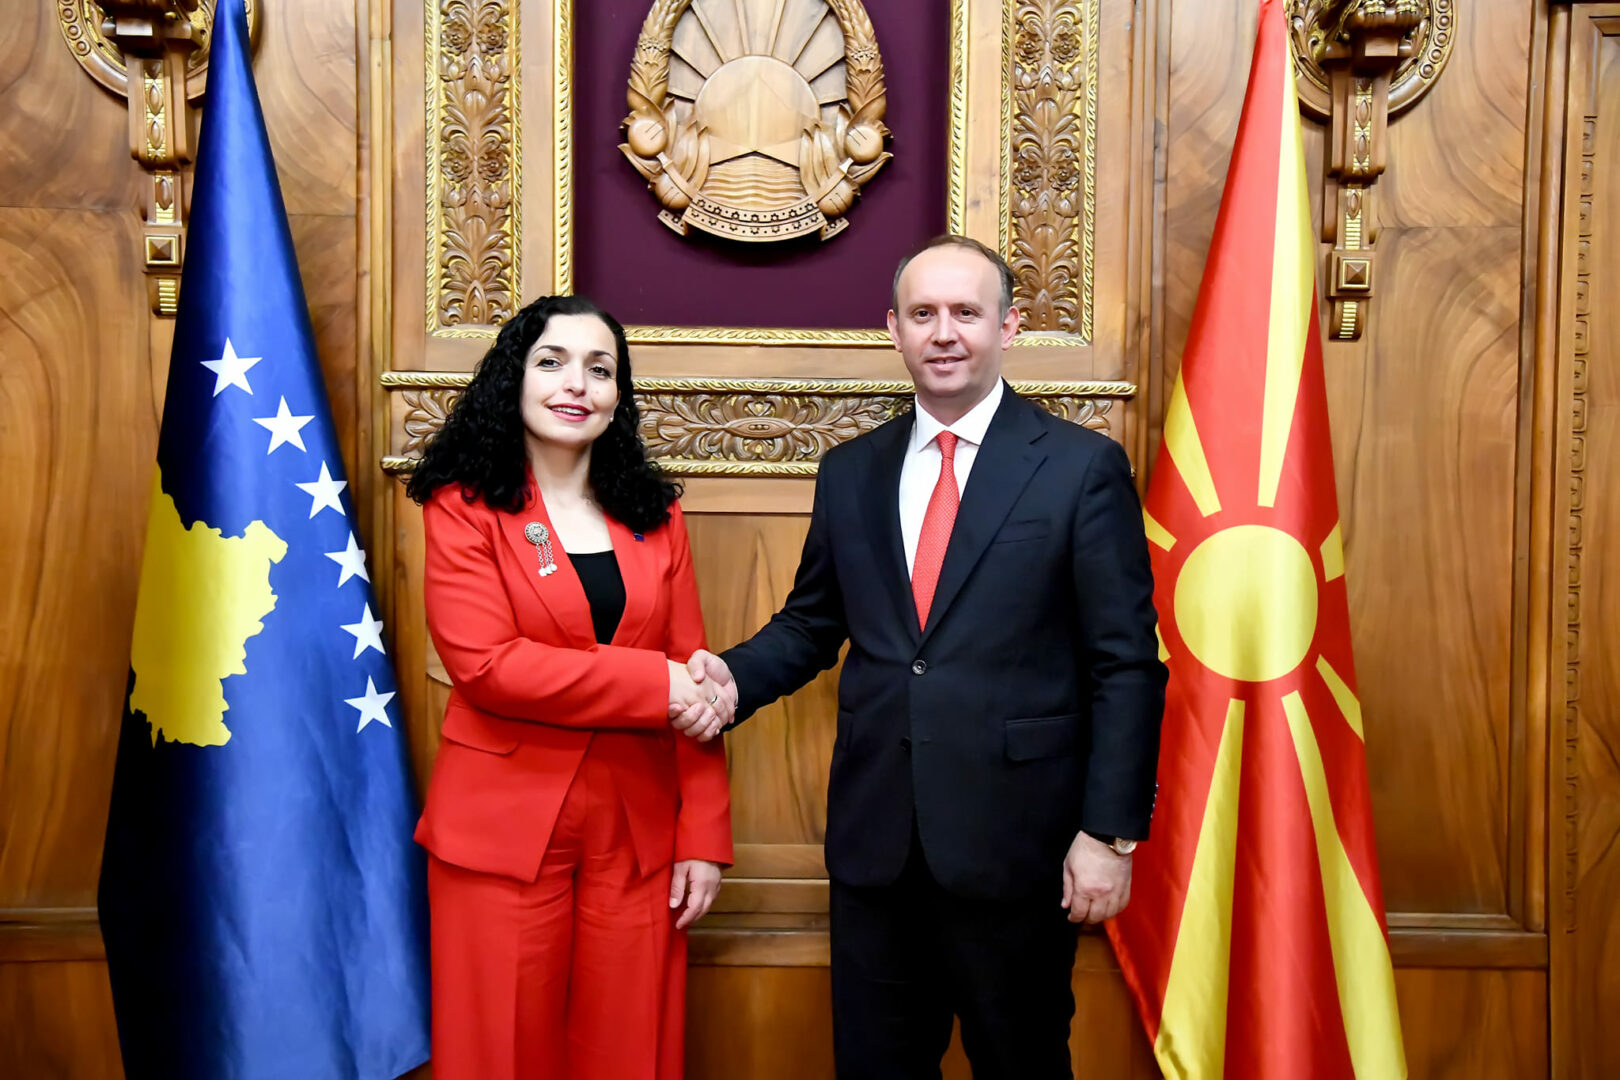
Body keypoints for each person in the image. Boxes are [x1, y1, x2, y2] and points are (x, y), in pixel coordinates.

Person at [674, 236, 1166, 1079]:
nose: (944, 333)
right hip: (877, 850)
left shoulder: (1080, 468)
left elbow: (1126, 666)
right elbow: (812, 624)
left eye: (966, 313)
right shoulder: (852, 471)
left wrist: (1108, 836)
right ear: (893, 329)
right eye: (923, 314)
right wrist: (733, 678)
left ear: (1007, 326)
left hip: (1020, 850)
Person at [407, 294, 733, 1080]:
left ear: (619, 395)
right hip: (503, 827)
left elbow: (694, 682)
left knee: (628, 1049)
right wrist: (652, 682)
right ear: (513, 379)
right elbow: (488, 666)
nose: (576, 384)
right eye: (551, 362)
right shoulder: (463, 506)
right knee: (499, 1052)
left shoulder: (657, 514)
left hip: (639, 829)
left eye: (600, 369)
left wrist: (703, 835)